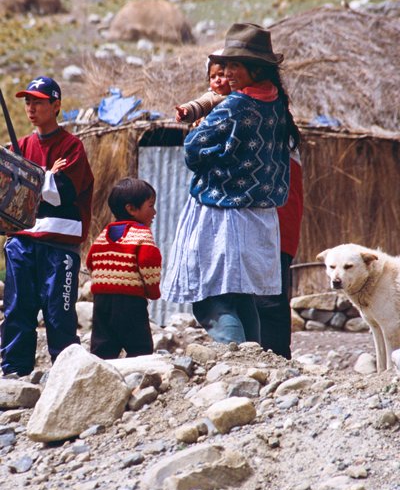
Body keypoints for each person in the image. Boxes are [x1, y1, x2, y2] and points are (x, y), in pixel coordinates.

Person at [162, 23, 300, 344]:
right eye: (227, 65)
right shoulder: (276, 103)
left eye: (236, 65)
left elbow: (194, 150)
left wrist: (200, 128)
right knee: (241, 298)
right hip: (258, 217)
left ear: (255, 68)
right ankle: (253, 364)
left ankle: (234, 361)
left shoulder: (237, 106)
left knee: (212, 300)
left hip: (222, 215)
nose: (229, 71)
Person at [0, 76, 94, 376]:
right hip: (21, 241)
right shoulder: (20, 146)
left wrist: (31, 176)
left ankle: (67, 376)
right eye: (28, 101)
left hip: (59, 244)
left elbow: (62, 194)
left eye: (38, 101)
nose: (31, 107)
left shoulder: (72, 147)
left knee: (59, 312)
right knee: (16, 308)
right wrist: (44, 175)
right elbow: (10, 191)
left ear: (56, 105)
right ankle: (15, 371)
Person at [87, 177, 162, 360]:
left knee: (103, 347)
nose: (154, 212)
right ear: (131, 209)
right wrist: (153, 292)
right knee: (140, 347)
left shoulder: (104, 233)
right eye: (150, 206)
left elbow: (91, 261)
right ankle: (140, 383)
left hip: (102, 301)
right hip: (131, 302)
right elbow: (148, 262)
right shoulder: (142, 234)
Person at [256, 148, 303, 359]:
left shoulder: (270, 137)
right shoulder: (280, 139)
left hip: (271, 229)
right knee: (270, 298)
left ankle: (274, 360)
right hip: (275, 230)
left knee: (268, 300)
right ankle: (276, 359)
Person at [175, 50, 230, 125]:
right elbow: (199, 105)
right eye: (213, 77)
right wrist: (187, 110)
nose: (217, 80)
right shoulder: (212, 97)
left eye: (222, 74)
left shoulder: (242, 95)